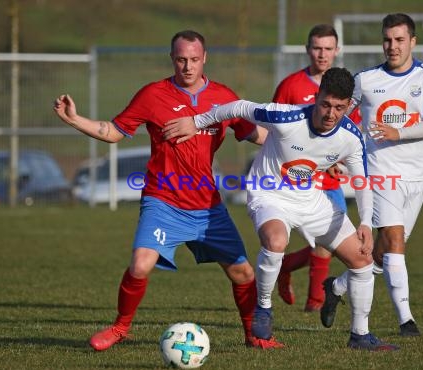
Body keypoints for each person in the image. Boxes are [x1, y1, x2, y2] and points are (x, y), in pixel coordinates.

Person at [53, 30, 283, 351]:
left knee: (242, 272)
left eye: (193, 59)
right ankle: (120, 328)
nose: (187, 66)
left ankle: (254, 336)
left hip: (207, 205)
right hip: (163, 200)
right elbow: (113, 131)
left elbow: (257, 135)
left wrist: (305, 147)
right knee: (141, 264)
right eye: (180, 59)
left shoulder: (224, 97)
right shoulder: (152, 95)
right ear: (172, 59)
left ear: (205, 59)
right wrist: (75, 119)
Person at [164, 67, 399, 351]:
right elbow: (239, 107)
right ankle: (264, 307)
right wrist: (196, 121)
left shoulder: (350, 137)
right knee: (276, 240)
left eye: (339, 107)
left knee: (362, 260)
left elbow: (361, 181)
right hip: (270, 194)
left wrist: (364, 223)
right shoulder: (287, 116)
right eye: (325, 104)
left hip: (312, 200)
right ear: (316, 97)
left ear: (349, 105)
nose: (330, 114)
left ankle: (360, 336)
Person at [320, 13, 423, 338]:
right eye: (387, 40)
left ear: (413, 42)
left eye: (400, 40)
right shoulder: (364, 80)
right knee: (393, 244)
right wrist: (332, 155)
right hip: (379, 175)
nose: (392, 46)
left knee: (382, 254)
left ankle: (335, 287)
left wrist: (398, 133)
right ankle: (406, 321)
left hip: (416, 177)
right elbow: (339, 117)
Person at [272, 24, 361, 312]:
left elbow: (351, 132)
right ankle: (315, 300)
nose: (322, 54)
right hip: (293, 180)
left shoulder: (346, 89)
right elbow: (273, 130)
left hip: (329, 181)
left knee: (331, 242)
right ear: (308, 49)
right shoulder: (290, 86)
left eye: (328, 48)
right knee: (323, 245)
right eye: (317, 48)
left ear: (337, 51)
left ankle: (311, 296)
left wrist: (339, 160)